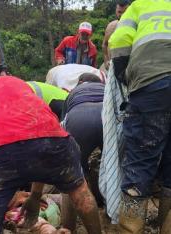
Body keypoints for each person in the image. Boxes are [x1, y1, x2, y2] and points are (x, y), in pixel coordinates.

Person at [0, 76, 101, 233]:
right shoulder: (17, 82)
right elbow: (35, 139)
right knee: (81, 194)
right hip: (53, 139)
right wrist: (35, 196)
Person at [109, 0, 171, 232]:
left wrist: (126, 77)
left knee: (139, 164)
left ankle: (130, 228)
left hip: (151, 85)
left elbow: (119, 41)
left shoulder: (140, 5)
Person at [61, 73, 105, 232]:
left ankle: (68, 226)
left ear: (80, 82)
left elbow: (63, 125)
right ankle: (110, 213)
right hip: (106, 116)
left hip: (79, 118)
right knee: (111, 166)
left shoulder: (74, 92)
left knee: (72, 172)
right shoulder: (105, 88)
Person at [102, 0, 130, 70]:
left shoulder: (135, 26)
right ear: (116, 11)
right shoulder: (111, 26)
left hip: (130, 66)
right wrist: (106, 61)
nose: (122, 15)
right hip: (112, 66)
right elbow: (104, 45)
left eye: (125, 12)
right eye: (119, 12)